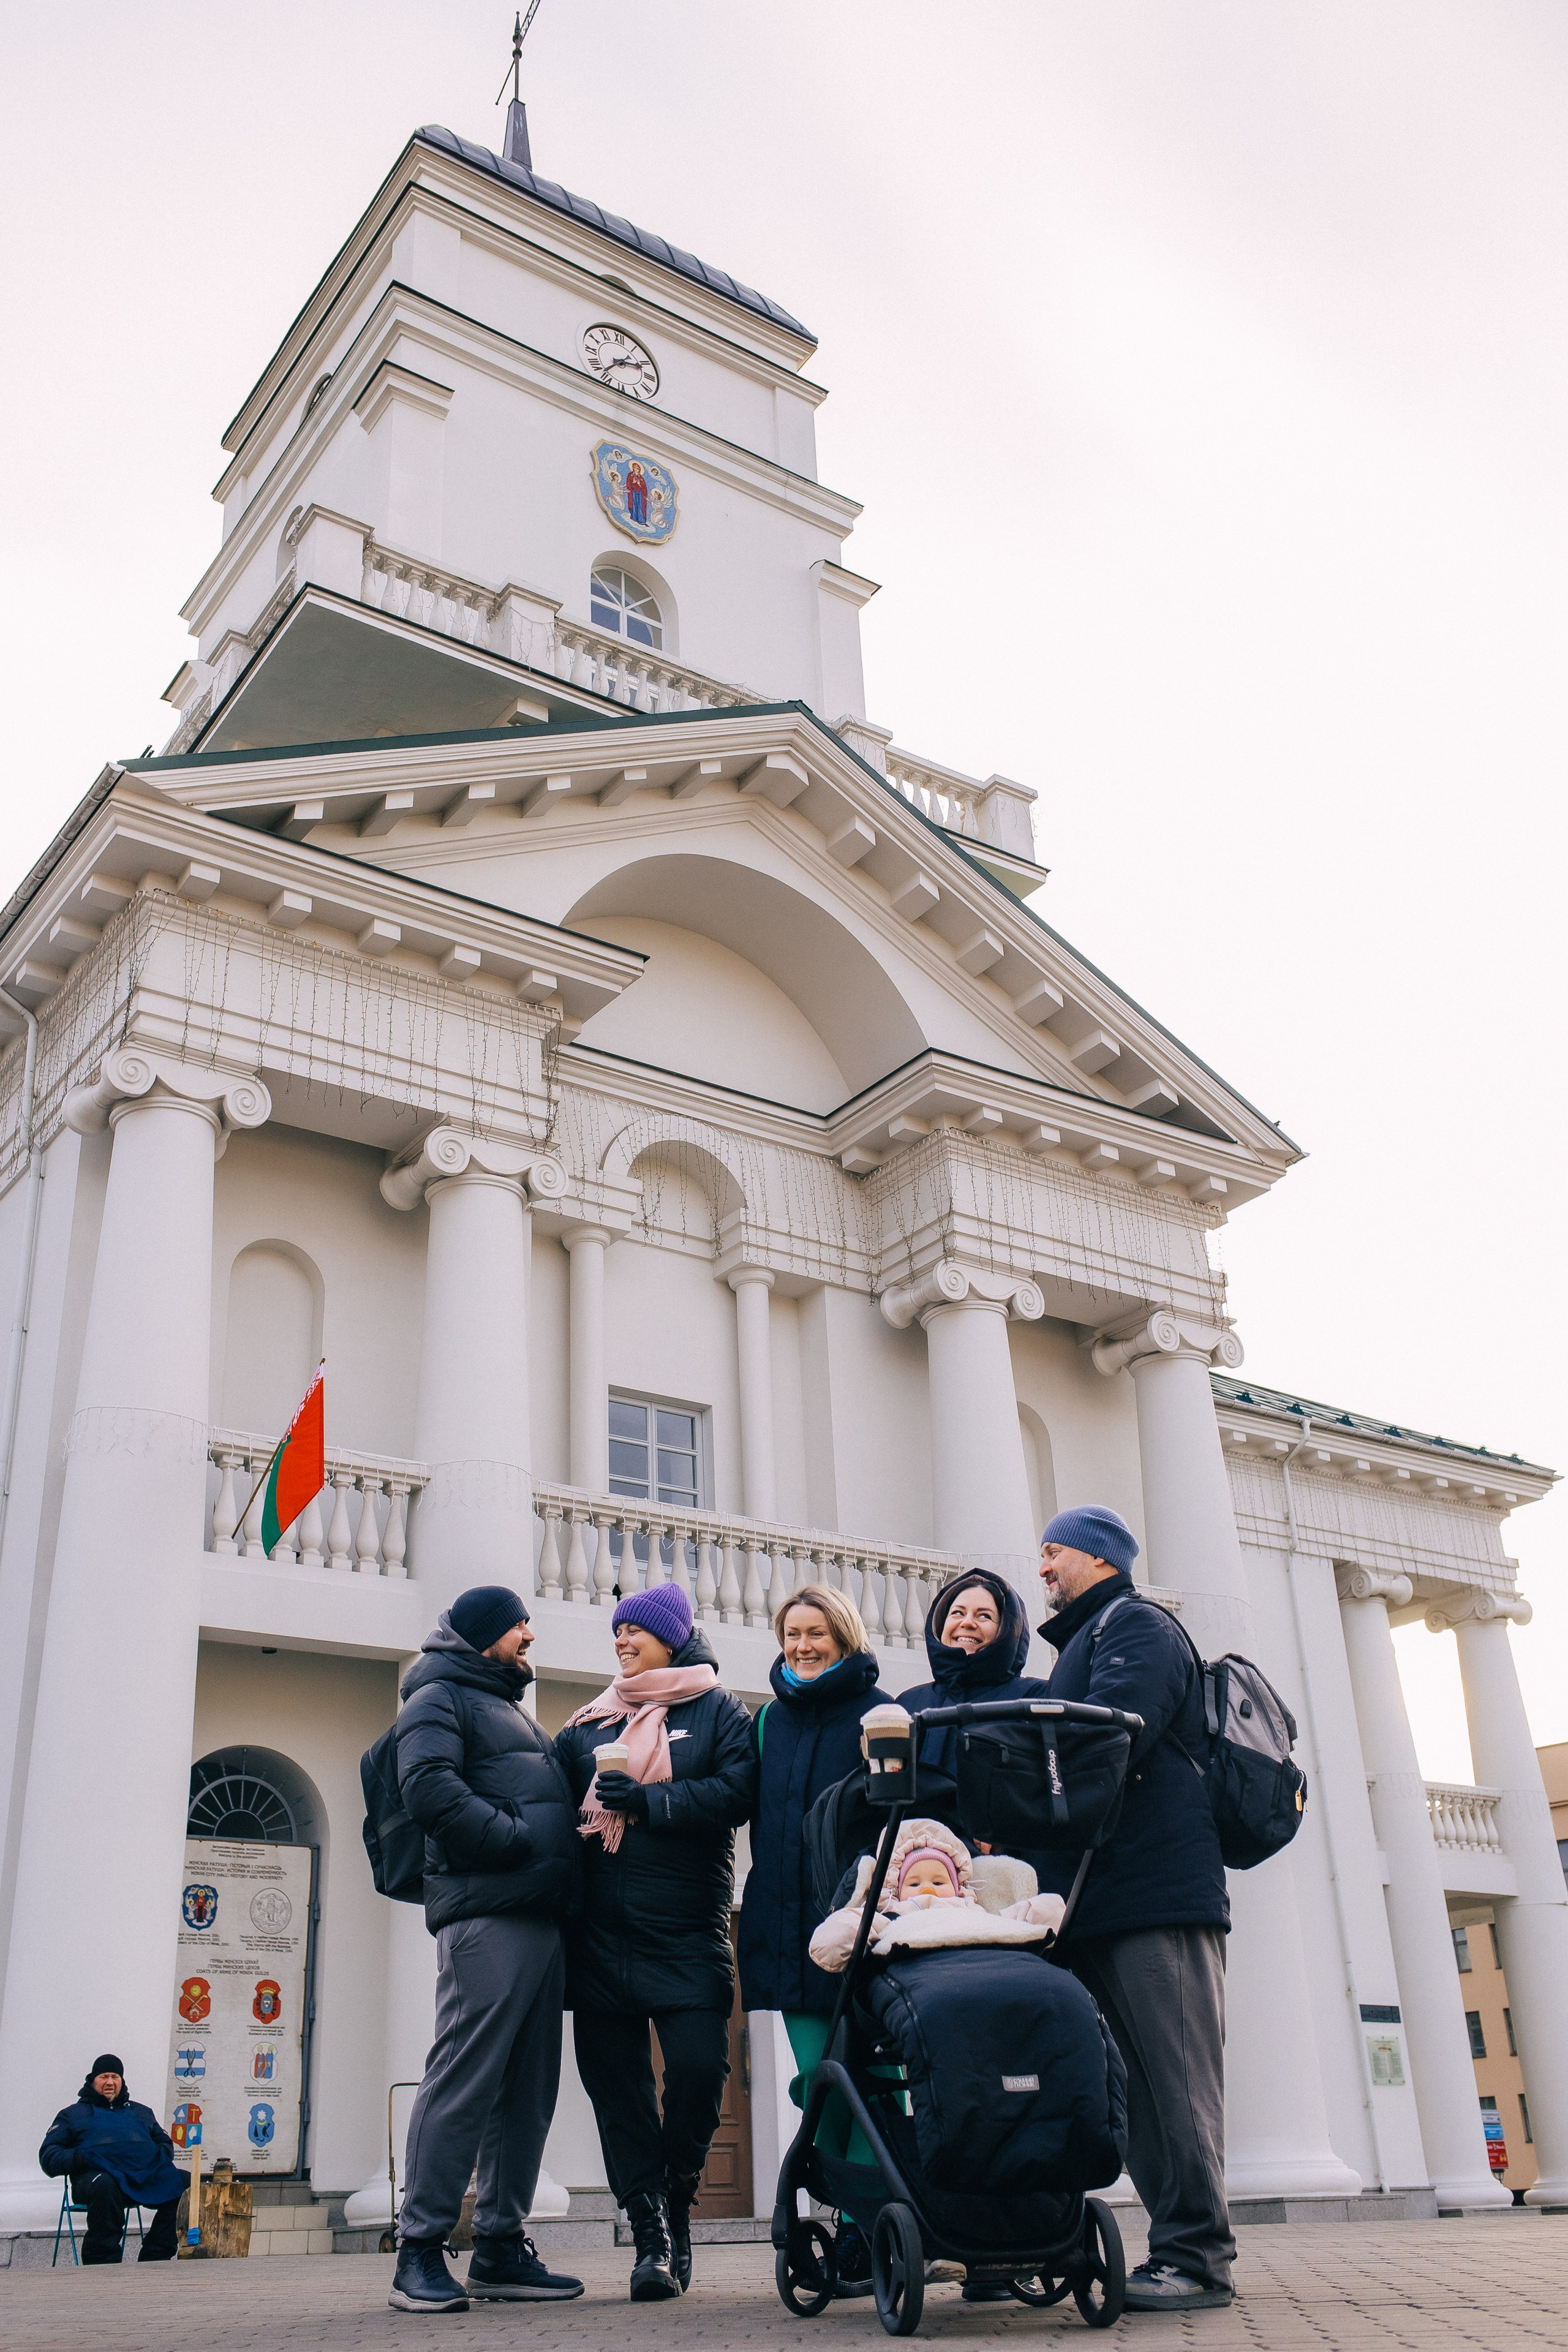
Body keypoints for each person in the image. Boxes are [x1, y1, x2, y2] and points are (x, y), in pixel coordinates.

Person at [1035, 1506, 1235, 2313]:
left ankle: (1199, 2261)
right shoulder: (1088, 1639)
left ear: (1099, 1558)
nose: (1042, 1567)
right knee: (1141, 2095)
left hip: (1155, 1897)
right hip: (1107, 1901)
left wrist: (1025, 1774)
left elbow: (1111, 1736)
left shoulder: (1136, 1625)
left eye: (1053, 1552)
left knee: (1176, 2084)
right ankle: (1178, 2251)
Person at [555, 1579, 756, 2301]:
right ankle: (650, 2236)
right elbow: (552, 1813)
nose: (621, 1640)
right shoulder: (587, 1725)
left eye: (634, 1630)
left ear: (671, 1638)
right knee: (618, 2093)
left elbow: (738, 1793)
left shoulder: (719, 1711)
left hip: (687, 1933)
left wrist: (650, 1801)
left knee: (700, 2073)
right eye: (616, 1631)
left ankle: (678, 2190)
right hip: (599, 1939)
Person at [390, 1584, 586, 2315]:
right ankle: (418, 2248)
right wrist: (511, 1841)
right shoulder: (437, 1697)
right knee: (465, 2077)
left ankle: (500, 2245)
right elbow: (427, 1788)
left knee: (527, 2091)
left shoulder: (504, 1707)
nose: (529, 1636)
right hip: (488, 1916)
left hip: (539, 1915)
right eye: (516, 1626)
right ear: (480, 1635)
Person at [736, 1583, 889, 2296]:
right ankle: (845, 2216)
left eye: (815, 1633)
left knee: (871, 2082)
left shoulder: (878, 1713)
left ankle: (869, 2226)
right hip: (787, 1934)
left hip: (859, 1930)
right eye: (791, 1634)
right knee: (820, 2084)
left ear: (844, 1637)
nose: (801, 1646)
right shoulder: (767, 1722)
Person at [39, 2056, 186, 2263]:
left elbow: (165, 2144)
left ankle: (156, 2255)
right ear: (92, 2080)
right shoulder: (72, 2115)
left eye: (115, 2077)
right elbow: (49, 2156)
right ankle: (102, 2262)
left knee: (186, 2182)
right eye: (104, 2077)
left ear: (121, 2081)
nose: (110, 2082)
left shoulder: (142, 2112)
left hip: (142, 2177)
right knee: (105, 2184)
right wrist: (84, 2157)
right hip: (97, 2180)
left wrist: (152, 2156)